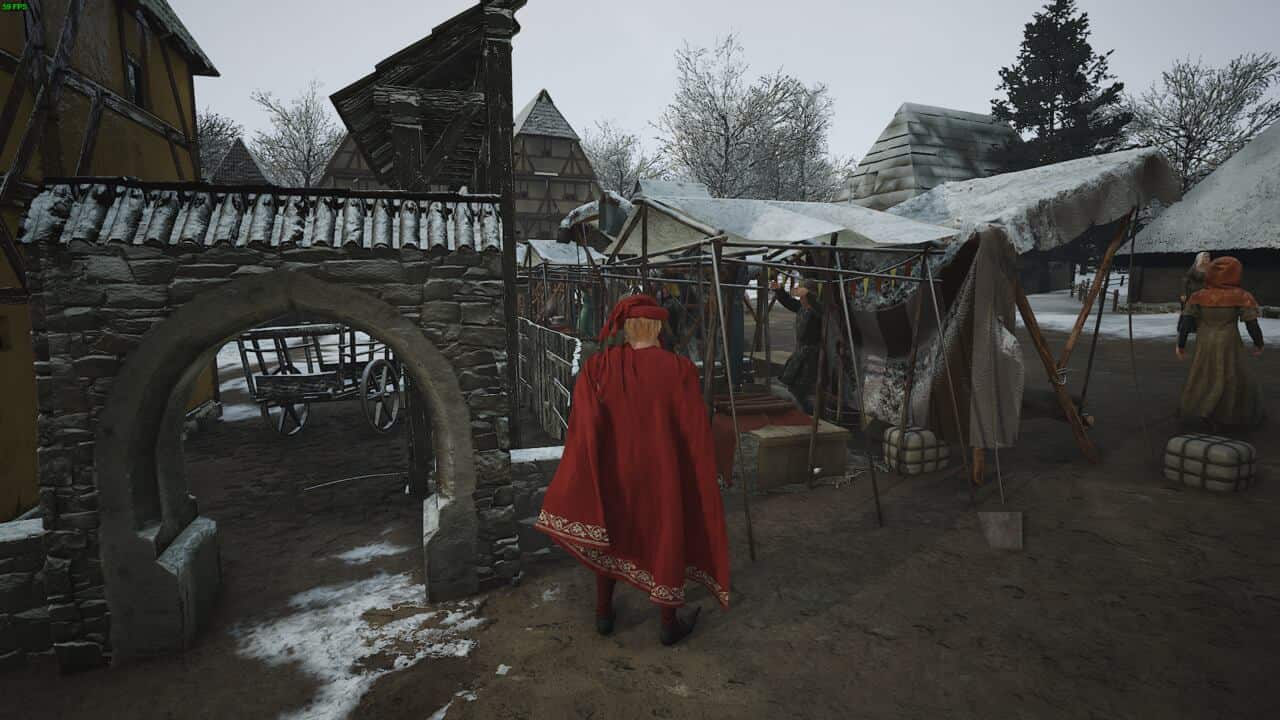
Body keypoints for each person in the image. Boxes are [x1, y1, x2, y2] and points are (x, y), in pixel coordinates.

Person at [536, 294, 730, 646]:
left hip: (615, 473)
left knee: (610, 537)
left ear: (626, 328)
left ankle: (603, 614)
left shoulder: (597, 368)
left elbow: (584, 428)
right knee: (665, 538)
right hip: (664, 475)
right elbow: (694, 432)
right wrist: (697, 474)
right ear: (658, 327)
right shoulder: (680, 369)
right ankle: (668, 623)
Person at [1176, 256, 1266, 429]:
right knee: (1230, 375)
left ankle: (1196, 409)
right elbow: (1251, 323)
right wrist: (1259, 343)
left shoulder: (1198, 296)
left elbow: (1186, 322)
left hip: (1204, 341)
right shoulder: (1241, 296)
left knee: (1202, 374)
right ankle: (1225, 414)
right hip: (1229, 341)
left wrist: (1181, 344)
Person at [771, 278, 823, 414]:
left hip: (811, 355)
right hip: (799, 353)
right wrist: (779, 291)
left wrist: (809, 295)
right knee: (791, 384)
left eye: (803, 295)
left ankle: (808, 412)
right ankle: (801, 409)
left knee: (803, 388)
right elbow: (789, 302)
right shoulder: (801, 308)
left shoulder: (818, 311)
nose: (801, 298)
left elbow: (818, 308)